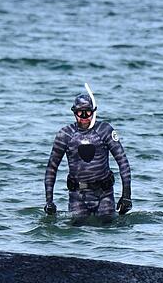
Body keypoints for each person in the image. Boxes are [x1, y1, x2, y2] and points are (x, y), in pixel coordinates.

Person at [44, 89, 132, 222]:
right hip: (77, 196)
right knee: (76, 234)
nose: (84, 116)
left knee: (108, 230)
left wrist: (126, 196)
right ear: (74, 113)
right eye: (80, 113)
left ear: (93, 112)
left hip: (104, 195)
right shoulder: (65, 135)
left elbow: (123, 162)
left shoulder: (105, 131)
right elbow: (51, 168)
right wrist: (49, 201)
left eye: (88, 112)